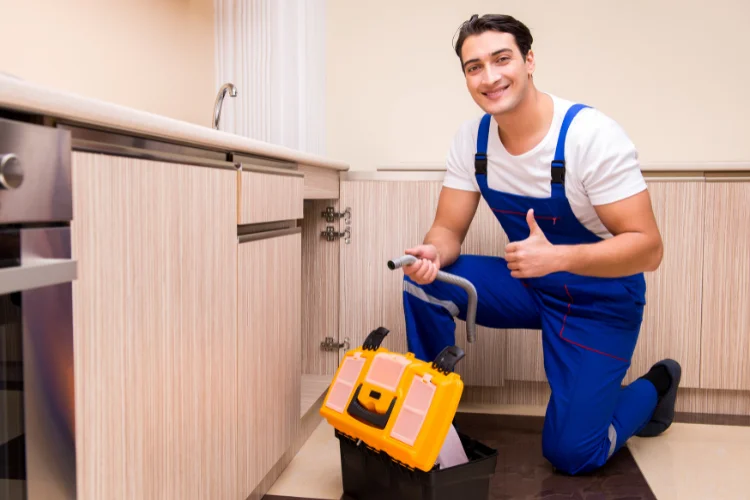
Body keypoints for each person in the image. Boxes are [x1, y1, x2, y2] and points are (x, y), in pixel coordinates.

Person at [399, 13, 682, 476]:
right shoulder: (472, 141)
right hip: (531, 285)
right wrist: (432, 252)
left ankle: (657, 383)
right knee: (423, 283)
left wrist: (559, 257)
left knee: (573, 454)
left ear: (529, 61)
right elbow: (447, 231)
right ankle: (429, 425)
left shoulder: (591, 136)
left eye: (501, 59)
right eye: (474, 67)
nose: (489, 77)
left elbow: (648, 248)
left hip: (601, 299)